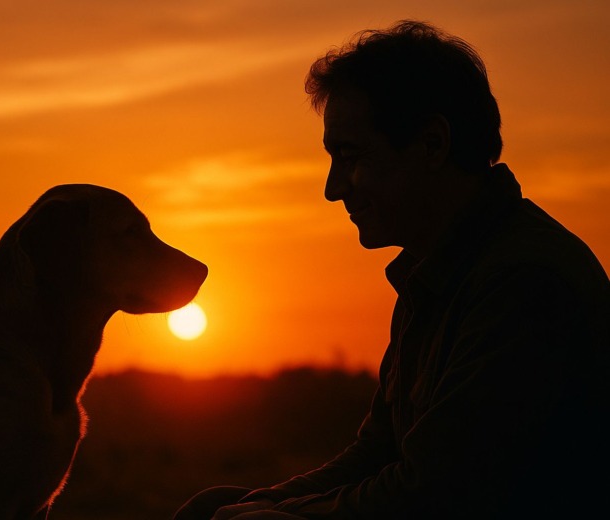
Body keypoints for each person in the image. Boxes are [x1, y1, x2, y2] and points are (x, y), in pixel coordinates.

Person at [174, 20, 610, 519]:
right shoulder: (436, 275)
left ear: (432, 144)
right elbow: (378, 454)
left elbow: (434, 495)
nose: (333, 188)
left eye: (351, 156)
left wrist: (282, 518)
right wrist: (262, 502)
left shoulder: (526, 285)